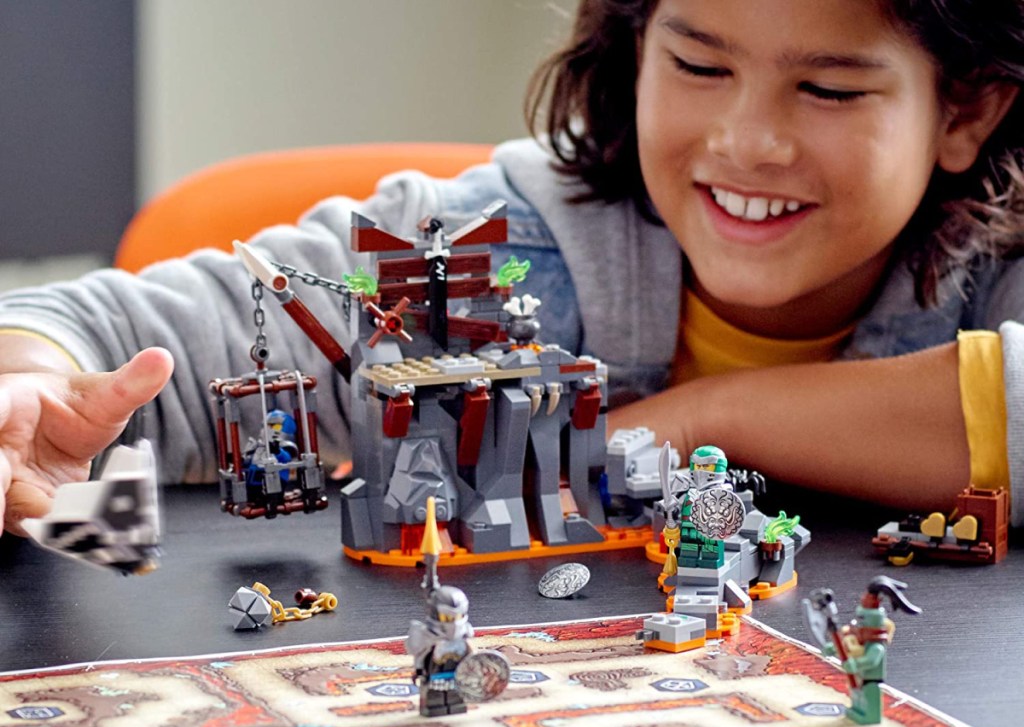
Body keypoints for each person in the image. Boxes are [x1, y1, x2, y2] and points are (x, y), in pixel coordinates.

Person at [1, 0, 1022, 540]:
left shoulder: (998, 265)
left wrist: (713, 418)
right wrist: (33, 386)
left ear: (965, 112)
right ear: (632, 51)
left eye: (830, 88)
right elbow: (96, 328)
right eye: (698, 66)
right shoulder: (477, 244)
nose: (747, 140)